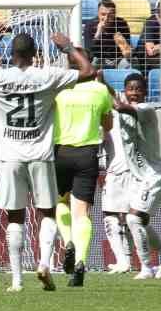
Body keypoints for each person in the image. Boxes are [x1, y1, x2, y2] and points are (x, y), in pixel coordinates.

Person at [0, 21, 92, 292]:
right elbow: (88, 71)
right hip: (41, 154)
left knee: (14, 217)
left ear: (11, 54)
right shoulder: (47, 76)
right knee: (47, 212)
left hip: (9, 157)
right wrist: (67, 48)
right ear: (35, 53)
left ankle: (16, 281)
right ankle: (45, 263)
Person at [49, 50, 114, 288]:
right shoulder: (99, 90)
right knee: (81, 213)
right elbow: (108, 125)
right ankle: (81, 263)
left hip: (60, 151)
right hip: (87, 154)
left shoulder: (58, 88)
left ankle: (68, 242)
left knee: (59, 203)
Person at [107, 73, 161, 279]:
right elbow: (118, 102)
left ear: (145, 92)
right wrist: (102, 83)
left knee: (132, 218)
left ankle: (146, 267)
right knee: (140, 221)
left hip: (153, 174)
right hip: (140, 175)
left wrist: (101, 85)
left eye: (138, 89)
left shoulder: (147, 110)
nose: (134, 93)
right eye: (131, 89)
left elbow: (120, 106)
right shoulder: (125, 105)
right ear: (125, 90)